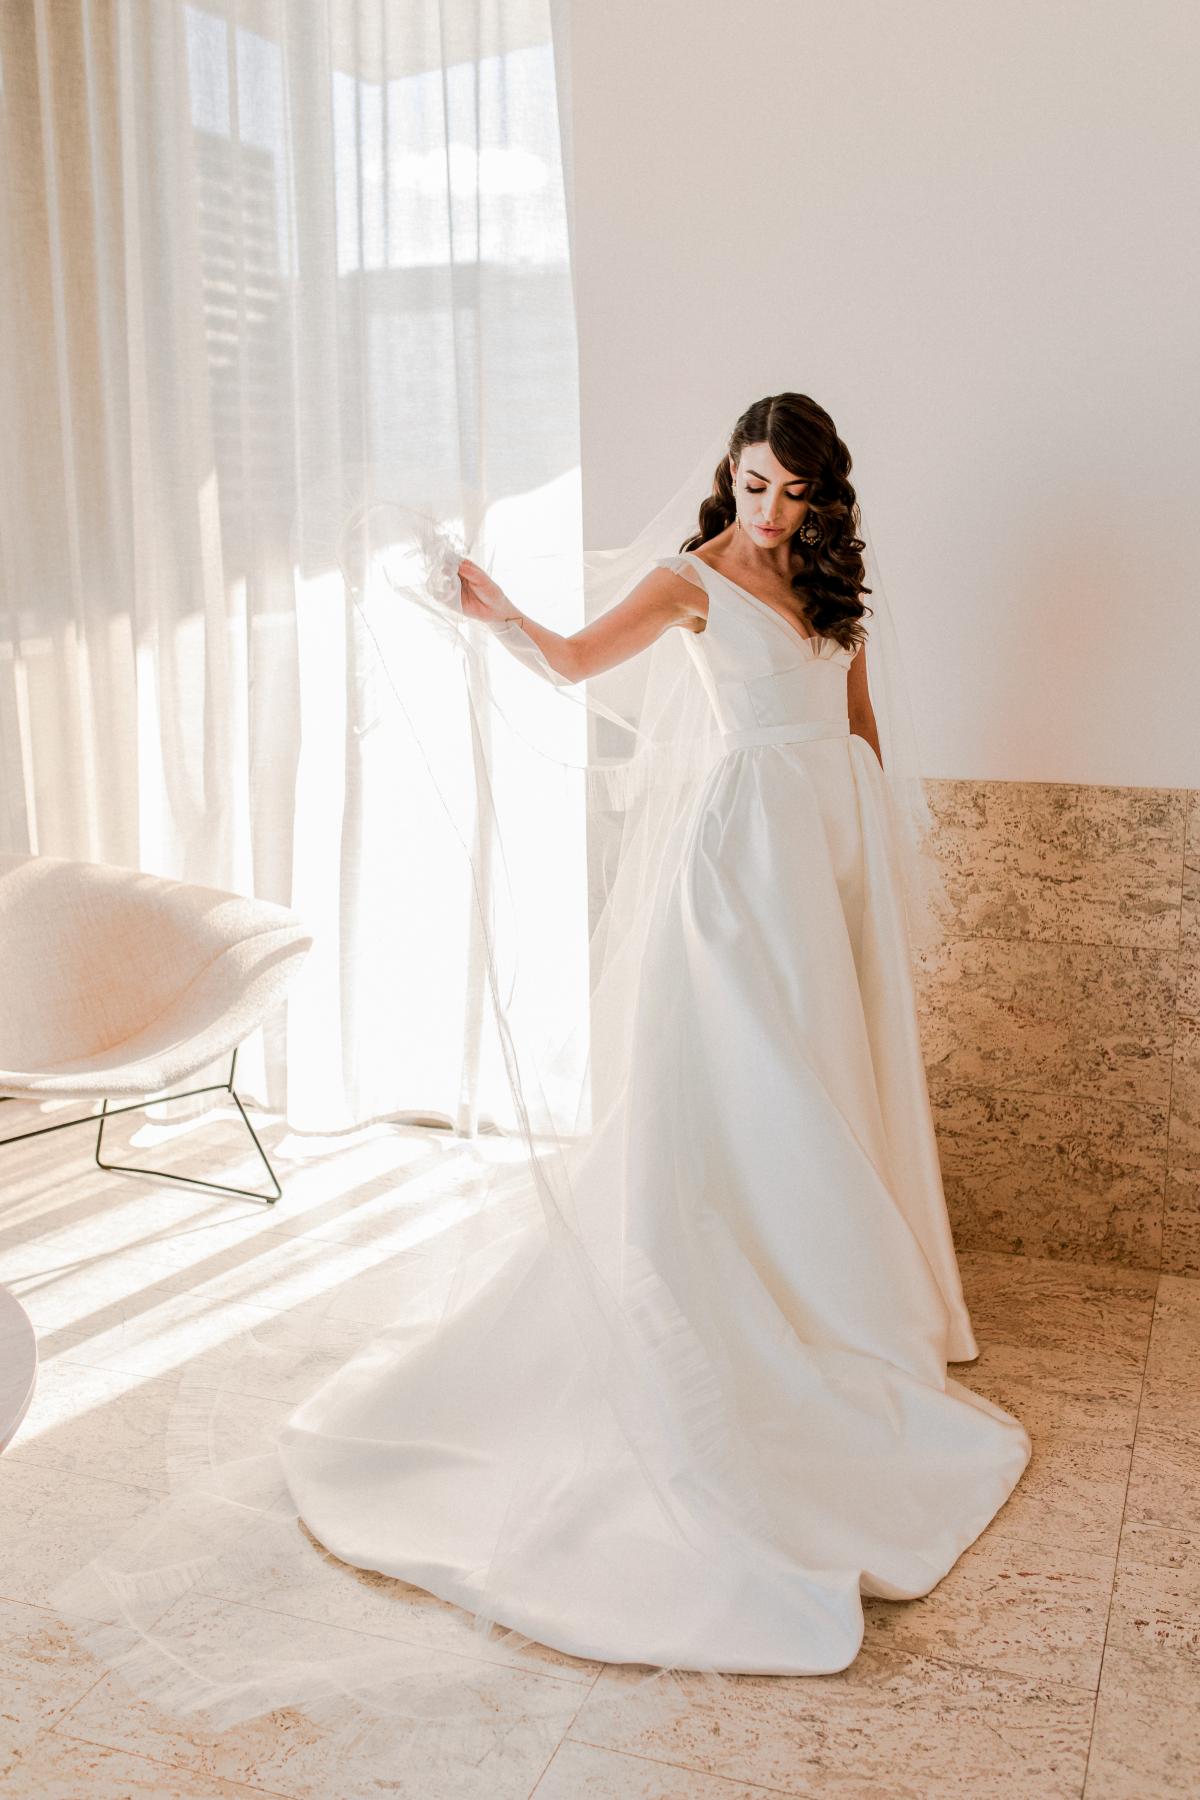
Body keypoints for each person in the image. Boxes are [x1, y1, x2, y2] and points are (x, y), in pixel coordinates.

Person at [274, 393, 1033, 1672]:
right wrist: (500, 615)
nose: (770, 510)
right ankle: (755, 1303)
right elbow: (574, 664)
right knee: (755, 1082)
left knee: (825, 1083)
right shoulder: (694, 583)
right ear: (726, 476)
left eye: (793, 491)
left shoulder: (832, 585)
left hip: (824, 849)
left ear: (820, 494)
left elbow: (856, 729)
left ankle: (831, 1286)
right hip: (737, 865)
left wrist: (876, 867)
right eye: (753, 483)